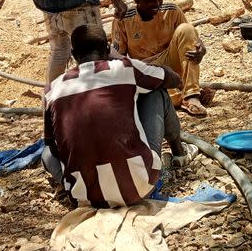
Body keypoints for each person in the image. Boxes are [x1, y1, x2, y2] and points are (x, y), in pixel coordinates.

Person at [42, 25, 198, 208]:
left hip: (86, 200)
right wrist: (123, 60)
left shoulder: (52, 89)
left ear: (73, 54)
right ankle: (180, 153)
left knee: (45, 154)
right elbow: (173, 79)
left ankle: (83, 186)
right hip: (138, 188)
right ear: (107, 49)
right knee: (157, 92)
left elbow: (53, 147)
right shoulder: (124, 68)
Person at [112, 0, 211, 116]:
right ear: (136, 0)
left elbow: (191, 38)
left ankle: (191, 96)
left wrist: (201, 49)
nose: (157, 4)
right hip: (144, 69)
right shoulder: (124, 19)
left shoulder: (172, 11)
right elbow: (118, 58)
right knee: (149, 96)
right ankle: (179, 96)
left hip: (169, 64)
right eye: (150, 1)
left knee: (187, 28)